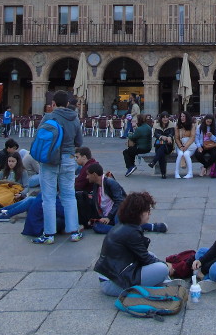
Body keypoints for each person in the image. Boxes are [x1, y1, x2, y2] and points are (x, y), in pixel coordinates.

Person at [93, 191, 171, 296]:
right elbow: (145, 258)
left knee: (153, 257)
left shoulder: (124, 225)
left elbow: (144, 255)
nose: (149, 214)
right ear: (138, 213)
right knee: (162, 268)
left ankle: (166, 282)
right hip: (113, 284)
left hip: (111, 277)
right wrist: (166, 265)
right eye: (147, 211)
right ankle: (164, 283)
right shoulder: (131, 232)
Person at [34, 90, 84, 244]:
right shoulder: (74, 118)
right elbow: (79, 142)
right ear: (68, 103)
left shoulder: (49, 117)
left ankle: (48, 235)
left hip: (50, 160)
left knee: (48, 197)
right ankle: (74, 232)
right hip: (69, 159)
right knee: (69, 196)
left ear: (53, 104)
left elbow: (39, 137)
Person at [149, 113, 175, 179]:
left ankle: (153, 162)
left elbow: (172, 133)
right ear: (161, 118)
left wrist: (169, 137)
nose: (165, 119)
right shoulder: (157, 125)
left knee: (162, 149)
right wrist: (161, 137)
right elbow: (156, 134)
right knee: (161, 153)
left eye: (167, 117)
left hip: (168, 146)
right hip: (158, 144)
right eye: (164, 117)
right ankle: (163, 174)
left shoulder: (171, 125)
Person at [174, 111, 197, 179]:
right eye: (181, 116)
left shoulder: (192, 125)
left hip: (190, 146)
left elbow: (192, 137)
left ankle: (190, 173)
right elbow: (176, 138)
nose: (182, 118)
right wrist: (181, 146)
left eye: (184, 116)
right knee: (180, 154)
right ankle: (176, 172)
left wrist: (186, 146)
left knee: (186, 154)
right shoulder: (178, 126)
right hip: (180, 145)